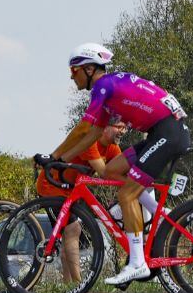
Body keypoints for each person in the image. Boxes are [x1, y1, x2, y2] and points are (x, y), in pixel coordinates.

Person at [43, 43, 191, 286]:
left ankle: (137, 263)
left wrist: (55, 155)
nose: (71, 77)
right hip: (162, 132)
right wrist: (61, 161)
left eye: (74, 70)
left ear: (89, 69)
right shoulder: (110, 90)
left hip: (167, 134)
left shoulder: (102, 86)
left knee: (126, 194)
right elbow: (93, 133)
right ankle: (160, 212)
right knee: (111, 170)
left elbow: (83, 128)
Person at [36, 118, 128, 283]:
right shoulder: (90, 142)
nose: (123, 131)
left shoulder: (112, 147)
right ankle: (78, 283)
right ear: (105, 127)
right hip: (52, 186)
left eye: (125, 128)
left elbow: (122, 170)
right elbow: (104, 172)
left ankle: (68, 284)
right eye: (119, 127)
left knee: (69, 234)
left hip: (73, 189)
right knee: (73, 229)